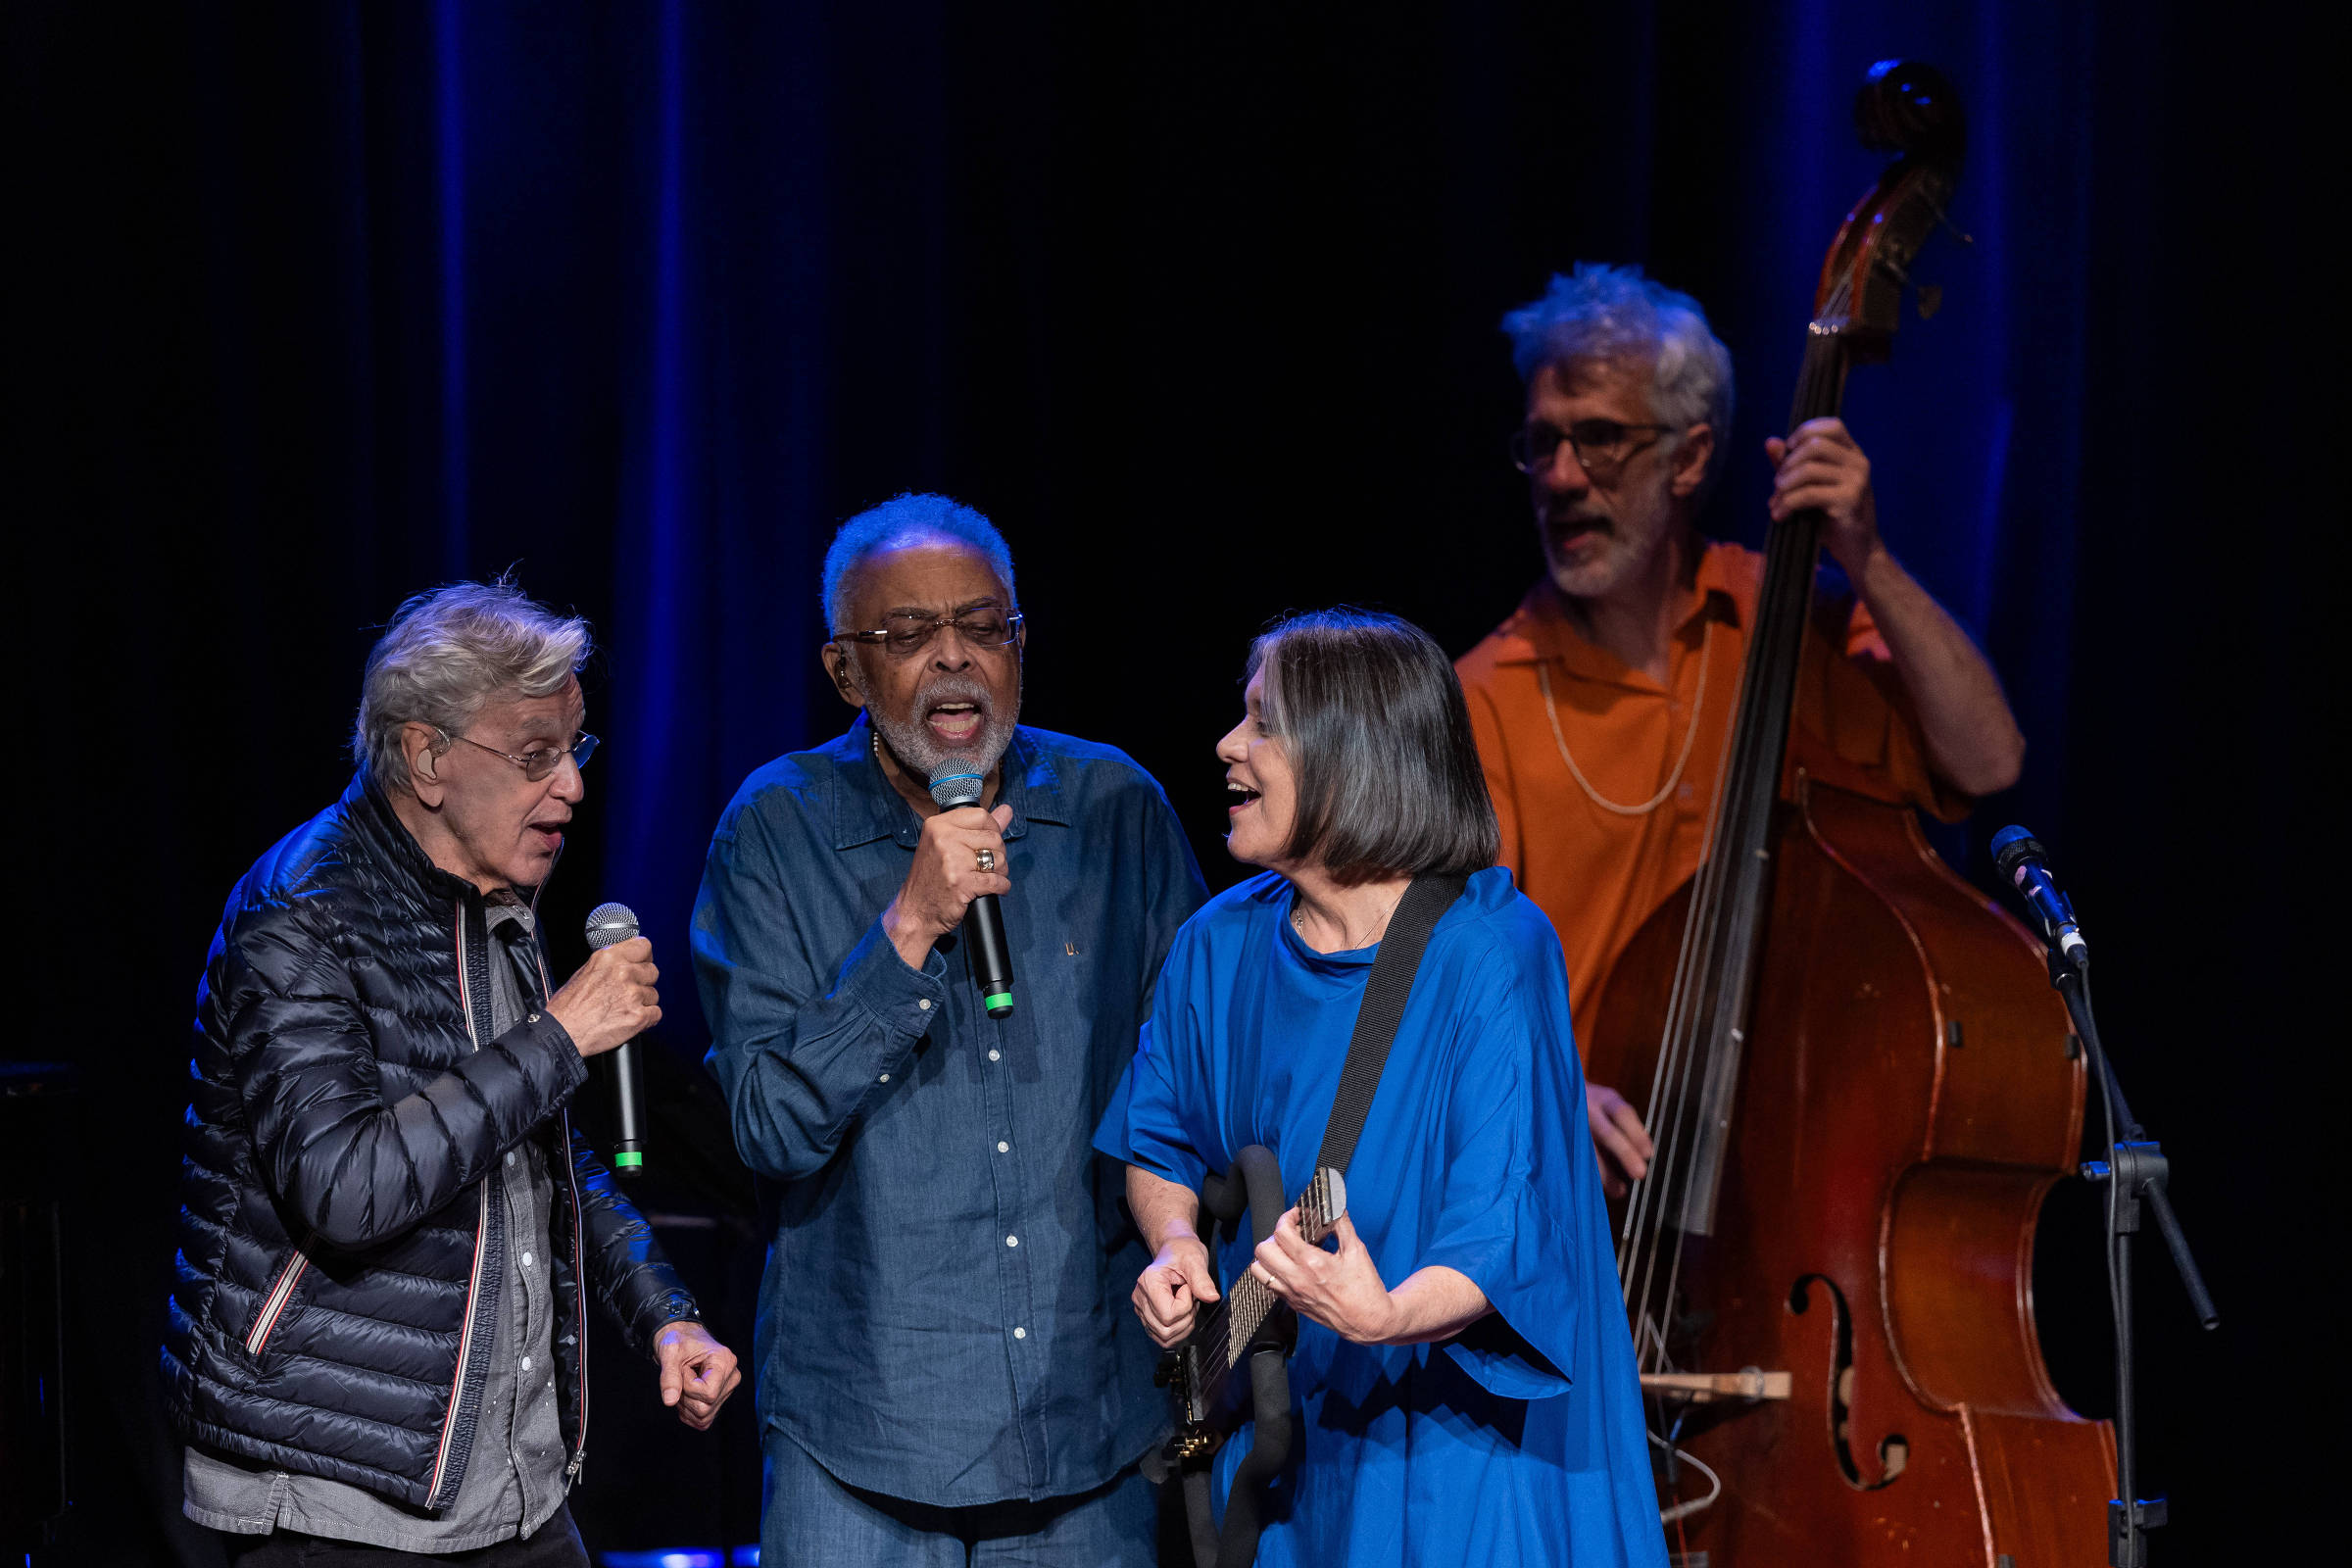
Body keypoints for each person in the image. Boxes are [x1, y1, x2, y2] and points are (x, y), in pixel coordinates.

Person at [166, 579, 743, 1566]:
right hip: (337, 1493)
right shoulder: (299, 913)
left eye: (575, 750)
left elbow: (546, 1150)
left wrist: (663, 1314)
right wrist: (559, 1038)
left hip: (508, 1486)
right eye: (534, 756)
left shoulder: (498, 907)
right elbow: (342, 1189)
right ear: (427, 756)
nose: (571, 786)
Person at [694, 494, 1208, 1566]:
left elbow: (1194, 1084)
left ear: (1022, 646)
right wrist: (910, 927)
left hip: (1090, 1431)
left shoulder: (1119, 811)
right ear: (845, 671)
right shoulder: (775, 830)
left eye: (984, 628)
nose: (954, 661)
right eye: (909, 635)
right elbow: (768, 1129)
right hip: (863, 1440)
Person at [1096, 610, 1666, 1566]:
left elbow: (1503, 1230)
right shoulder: (1217, 942)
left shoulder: (1491, 949)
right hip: (1283, 1456)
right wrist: (1176, 1242)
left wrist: (1385, 1315)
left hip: (1453, 1466)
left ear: (1349, 754)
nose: (1228, 746)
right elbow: (1158, 1137)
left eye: (1263, 722)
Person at [1455, 264, 2028, 1194]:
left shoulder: (1791, 625)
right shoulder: (1479, 700)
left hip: (1801, 1180)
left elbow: (1989, 759)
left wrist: (1867, 557)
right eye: (1543, 443)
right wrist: (1548, 1094)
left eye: (1599, 439)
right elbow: (1444, 999)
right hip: (1587, 1210)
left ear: (1689, 457)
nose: (1561, 478)